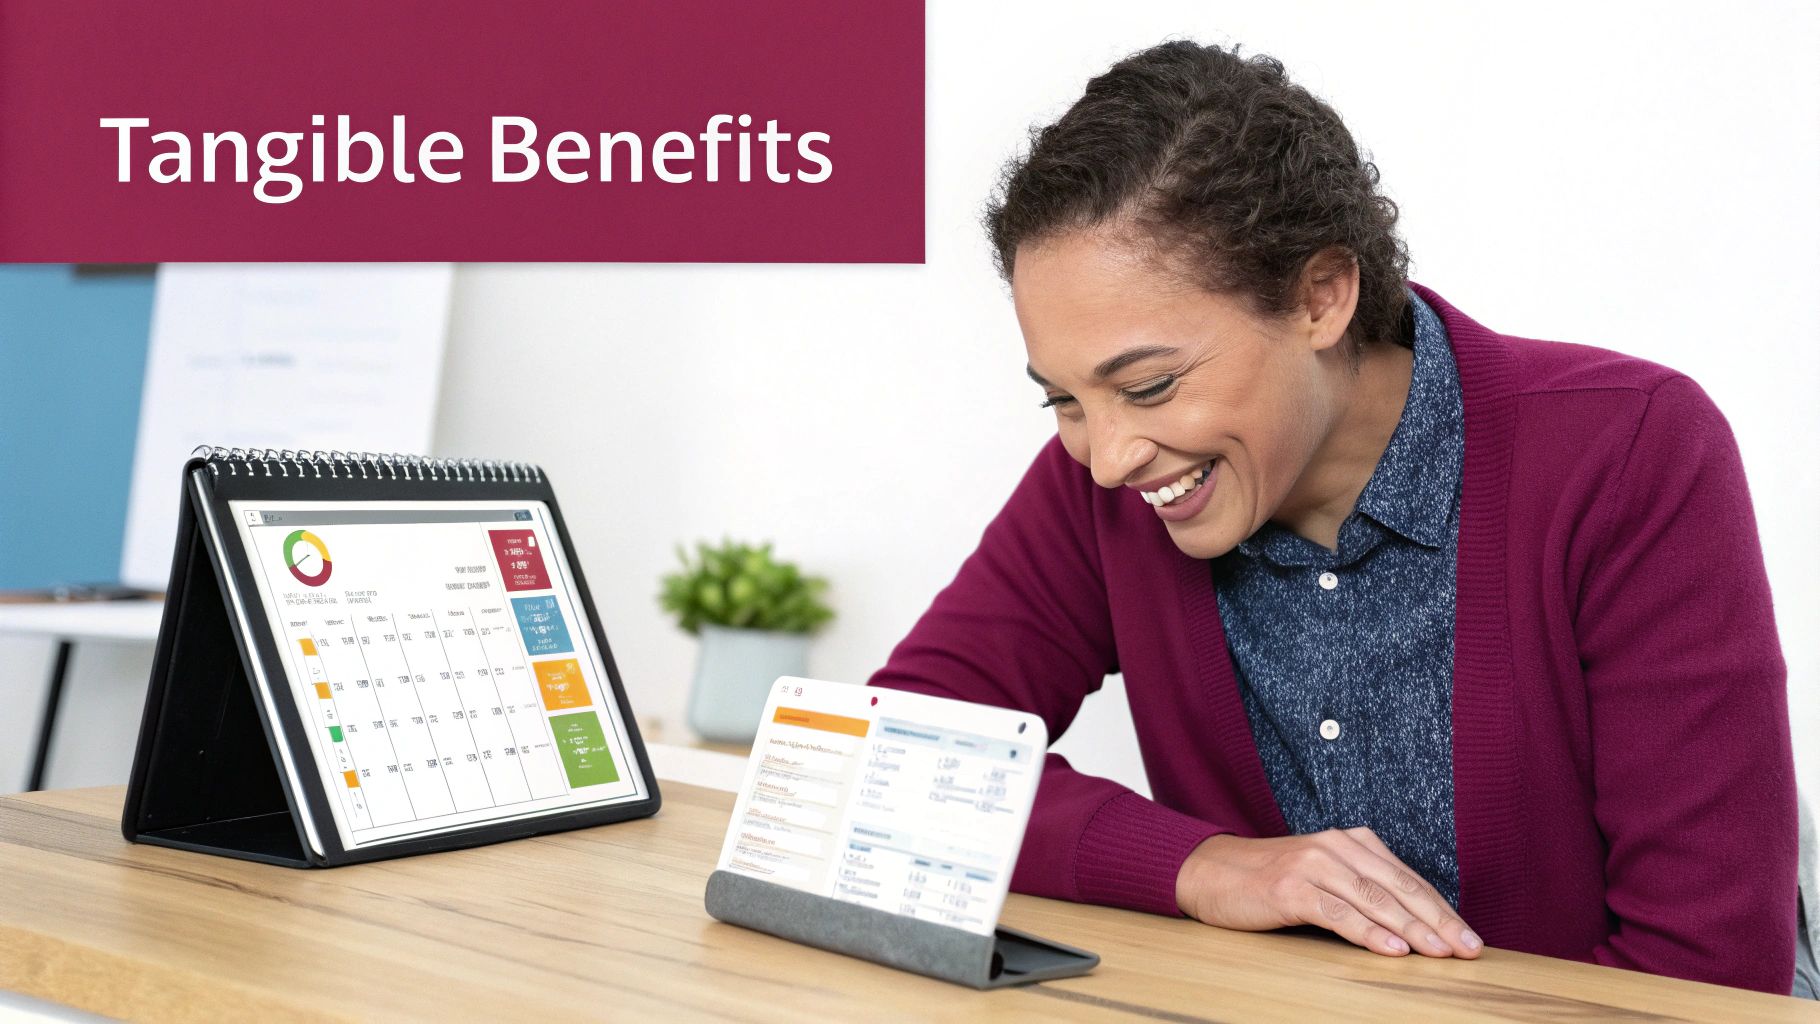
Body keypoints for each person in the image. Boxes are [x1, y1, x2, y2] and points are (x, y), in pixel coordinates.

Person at [867, 40, 1808, 996]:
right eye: (1062, 401)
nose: (1107, 456)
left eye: (1149, 385)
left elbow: (1711, 974)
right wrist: (1203, 865)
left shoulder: (1629, 450)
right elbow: (890, 758)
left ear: (1322, 296)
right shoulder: (1116, 484)